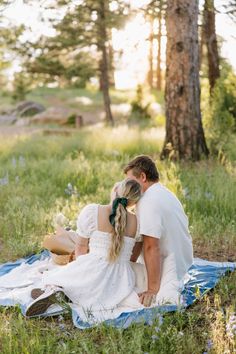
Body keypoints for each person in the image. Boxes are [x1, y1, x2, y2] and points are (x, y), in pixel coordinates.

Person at [25, 179, 144, 321]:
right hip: (120, 279)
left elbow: (81, 247)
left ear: (115, 190)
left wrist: (80, 267)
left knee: (65, 278)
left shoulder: (92, 212)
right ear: (134, 202)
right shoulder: (138, 222)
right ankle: (64, 296)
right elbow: (132, 258)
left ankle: (56, 291)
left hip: (93, 266)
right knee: (101, 294)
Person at [124, 155, 193, 307]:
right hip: (184, 259)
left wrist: (152, 289)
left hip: (172, 267)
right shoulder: (165, 192)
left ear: (142, 176)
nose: (128, 186)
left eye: (130, 181)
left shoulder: (148, 201)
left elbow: (151, 246)